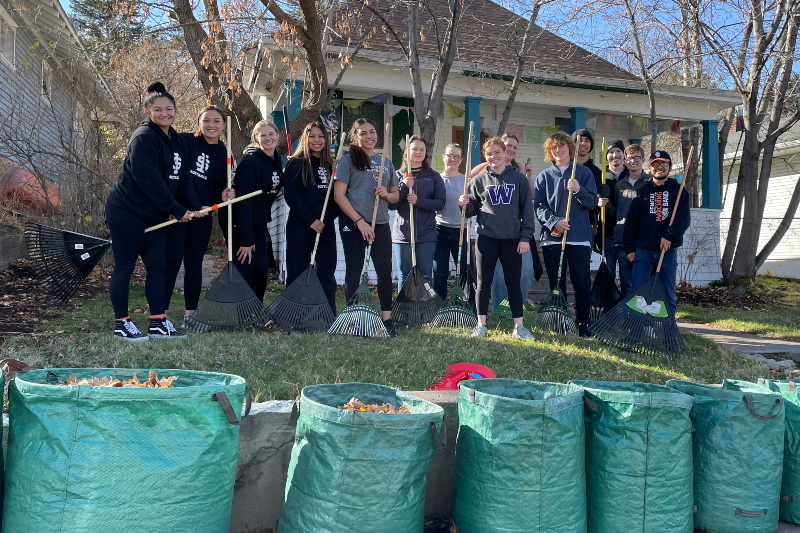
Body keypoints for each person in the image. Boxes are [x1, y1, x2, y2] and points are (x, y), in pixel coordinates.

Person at [105, 82, 195, 342]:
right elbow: (150, 181)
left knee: (158, 265)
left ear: (175, 111)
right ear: (147, 111)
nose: (164, 113)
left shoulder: (175, 140)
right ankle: (122, 323)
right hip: (126, 210)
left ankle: (158, 322)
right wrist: (175, 209)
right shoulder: (144, 138)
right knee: (125, 266)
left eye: (169, 109)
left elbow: (179, 178)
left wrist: (192, 206)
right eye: (158, 109)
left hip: (153, 213)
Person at [163, 106, 235, 327]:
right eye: (206, 120)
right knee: (172, 260)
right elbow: (173, 175)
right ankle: (160, 314)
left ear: (224, 126)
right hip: (178, 212)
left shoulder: (225, 152)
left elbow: (214, 188)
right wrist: (172, 207)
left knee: (194, 263)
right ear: (199, 122)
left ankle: (190, 315)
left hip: (202, 214)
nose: (211, 125)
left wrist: (221, 196)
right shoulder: (185, 142)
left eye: (216, 121)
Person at [459, 136, 535, 340]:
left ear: (504, 153)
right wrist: (463, 204)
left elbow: (527, 210)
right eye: (489, 153)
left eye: (497, 152)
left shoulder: (518, 179)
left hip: (512, 239)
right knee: (483, 282)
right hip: (486, 239)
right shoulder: (478, 180)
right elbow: (470, 212)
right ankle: (481, 324)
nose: (493, 157)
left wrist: (525, 237)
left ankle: (518, 326)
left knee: (513, 282)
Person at [334, 119, 400, 335]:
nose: (369, 136)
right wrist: (359, 221)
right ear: (356, 137)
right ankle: (353, 319)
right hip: (354, 223)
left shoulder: (386, 162)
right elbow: (339, 196)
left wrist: (386, 194)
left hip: (379, 223)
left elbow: (395, 195)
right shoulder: (347, 161)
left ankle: (386, 319)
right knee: (354, 270)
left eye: (372, 131)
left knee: (384, 271)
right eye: (363, 133)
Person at [533, 132, 598, 337]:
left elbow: (592, 203)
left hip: (578, 237)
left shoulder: (584, 173)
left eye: (562, 146)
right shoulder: (544, 176)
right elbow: (539, 207)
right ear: (549, 151)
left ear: (570, 148)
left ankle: (583, 322)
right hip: (553, 237)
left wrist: (578, 190)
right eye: (554, 147)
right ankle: (560, 319)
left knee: (581, 281)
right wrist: (554, 222)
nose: (558, 150)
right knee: (556, 281)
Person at [473, 133, 536, 311]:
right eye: (508, 145)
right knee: (494, 276)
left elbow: (528, 201)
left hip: (515, 234)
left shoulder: (518, 173)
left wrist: (528, 176)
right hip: (489, 235)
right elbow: (472, 189)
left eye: (515, 147)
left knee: (524, 272)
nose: (511, 149)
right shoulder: (486, 168)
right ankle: (500, 309)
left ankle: (518, 308)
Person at [624, 150, 690, 315]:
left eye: (663, 164)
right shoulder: (642, 191)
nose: (659, 167)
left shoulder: (679, 190)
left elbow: (684, 219)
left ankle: (669, 331)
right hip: (643, 250)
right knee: (638, 292)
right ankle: (637, 329)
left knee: (667, 292)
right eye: (655, 164)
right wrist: (630, 248)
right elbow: (632, 221)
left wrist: (669, 235)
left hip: (666, 251)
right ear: (649, 167)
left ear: (669, 167)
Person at [283, 122, 339, 315]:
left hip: (325, 226)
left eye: (321, 136)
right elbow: (292, 196)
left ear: (326, 139)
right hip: (301, 225)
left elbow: (336, 198)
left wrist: (326, 220)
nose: (317, 140)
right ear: (305, 139)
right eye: (312, 136)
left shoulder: (331, 165)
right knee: (298, 270)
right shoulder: (296, 163)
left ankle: (327, 313)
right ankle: (294, 314)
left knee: (326, 271)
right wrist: (310, 220)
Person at [230, 120, 284, 302]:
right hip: (243, 224)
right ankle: (243, 312)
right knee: (247, 269)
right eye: (263, 135)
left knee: (261, 269)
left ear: (278, 136)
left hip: (259, 224)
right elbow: (243, 203)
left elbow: (277, 184)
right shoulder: (250, 163)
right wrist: (246, 239)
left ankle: (255, 310)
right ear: (256, 138)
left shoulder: (275, 160)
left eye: (271, 134)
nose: (268, 138)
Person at [389, 135, 445, 291]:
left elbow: (440, 203)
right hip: (403, 234)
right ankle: (404, 312)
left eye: (422, 149)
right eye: (414, 149)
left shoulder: (433, 176)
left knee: (426, 275)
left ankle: (425, 312)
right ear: (407, 152)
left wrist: (418, 201)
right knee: (404, 274)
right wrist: (404, 186)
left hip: (426, 234)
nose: (418, 152)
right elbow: (391, 205)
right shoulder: (397, 175)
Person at [604, 144, 650, 296]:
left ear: (643, 159)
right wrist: (605, 203)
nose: (633, 161)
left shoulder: (650, 182)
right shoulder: (619, 185)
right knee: (624, 281)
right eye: (630, 158)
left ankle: (633, 316)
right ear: (625, 161)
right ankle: (620, 316)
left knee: (633, 282)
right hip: (621, 239)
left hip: (641, 240)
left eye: (637, 158)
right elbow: (618, 211)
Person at [432, 143, 473, 300]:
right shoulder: (436, 179)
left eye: (457, 156)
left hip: (461, 230)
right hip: (439, 229)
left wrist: (467, 203)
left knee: (463, 271)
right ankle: (440, 304)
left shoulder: (466, 181)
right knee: (440, 272)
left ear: (461, 160)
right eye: (450, 155)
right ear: (443, 157)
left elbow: (474, 206)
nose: (453, 159)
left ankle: (462, 304)